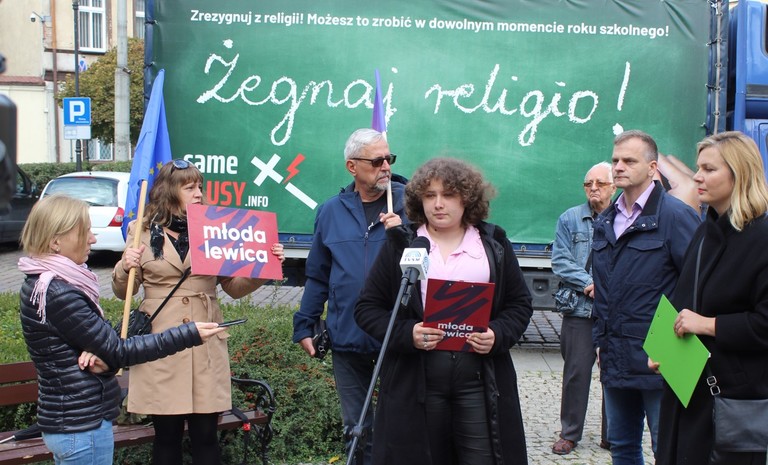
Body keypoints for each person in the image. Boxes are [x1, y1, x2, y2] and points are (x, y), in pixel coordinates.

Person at [18, 194, 226, 465]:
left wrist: (101, 350)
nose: (93, 239)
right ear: (56, 241)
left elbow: (96, 342)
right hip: (80, 425)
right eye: (85, 232)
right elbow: (118, 351)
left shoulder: (48, 283)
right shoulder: (58, 292)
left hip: (73, 420)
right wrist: (188, 334)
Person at [354, 157, 534, 465]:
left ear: (467, 198)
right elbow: (367, 308)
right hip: (417, 382)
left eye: (448, 195)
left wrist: (498, 334)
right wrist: (407, 333)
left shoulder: (493, 244)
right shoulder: (403, 243)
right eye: (430, 195)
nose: (438, 204)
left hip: (479, 381)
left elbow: (519, 304)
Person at [112, 160, 284, 465]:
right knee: (166, 436)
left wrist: (263, 268)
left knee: (206, 436)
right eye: (189, 187)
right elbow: (123, 291)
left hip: (205, 341)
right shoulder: (141, 230)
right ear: (169, 191)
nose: (198, 193)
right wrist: (126, 266)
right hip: (160, 344)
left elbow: (233, 287)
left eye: (200, 186)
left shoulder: (214, 227)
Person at [650, 131, 768, 465]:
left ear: (739, 173)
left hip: (730, 402)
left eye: (709, 169)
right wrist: (665, 352)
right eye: (699, 167)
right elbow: (685, 303)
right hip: (686, 391)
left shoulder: (762, 238)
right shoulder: (705, 230)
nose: (697, 176)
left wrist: (708, 325)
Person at [292, 128, 405, 464]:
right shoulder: (330, 211)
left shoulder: (410, 205)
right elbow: (318, 275)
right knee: (356, 429)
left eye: (389, 158)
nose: (386, 166)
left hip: (397, 335)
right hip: (347, 336)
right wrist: (304, 324)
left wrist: (402, 233)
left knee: (400, 426)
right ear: (352, 167)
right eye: (377, 161)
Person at [591, 130, 700, 464]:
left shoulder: (676, 216)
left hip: (664, 356)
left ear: (653, 168)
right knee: (622, 446)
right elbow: (603, 290)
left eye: (629, 161)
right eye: (615, 160)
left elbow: (696, 285)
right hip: (616, 353)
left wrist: (681, 346)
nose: (618, 167)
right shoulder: (606, 220)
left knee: (667, 448)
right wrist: (600, 341)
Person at [551, 162, 615, 455]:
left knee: (614, 373)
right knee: (576, 374)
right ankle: (569, 434)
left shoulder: (625, 219)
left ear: (613, 187)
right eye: (589, 184)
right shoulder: (570, 219)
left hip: (615, 311)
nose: (593, 188)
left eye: (600, 183)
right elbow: (560, 261)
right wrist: (590, 284)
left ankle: (613, 435)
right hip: (580, 309)